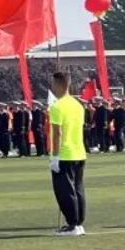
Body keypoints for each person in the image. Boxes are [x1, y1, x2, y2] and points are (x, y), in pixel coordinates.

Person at [48, 71, 87, 237]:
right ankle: (78, 223)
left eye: (53, 83)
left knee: (65, 191)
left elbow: (57, 133)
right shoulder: (78, 105)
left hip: (65, 154)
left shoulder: (57, 106)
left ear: (58, 85)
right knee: (78, 189)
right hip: (79, 152)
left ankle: (72, 224)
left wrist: (55, 156)